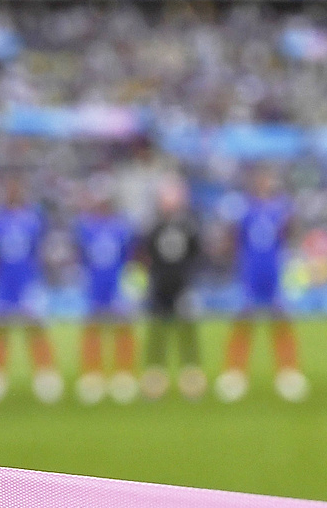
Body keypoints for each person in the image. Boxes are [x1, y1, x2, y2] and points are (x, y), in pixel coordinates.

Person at [219, 166, 306, 402]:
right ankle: (235, 373)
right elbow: (234, 241)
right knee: (243, 322)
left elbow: (289, 236)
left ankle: (288, 373)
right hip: (250, 273)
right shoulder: (244, 209)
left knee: (281, 322)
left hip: (274, 273)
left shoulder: (282, 209)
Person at [0, 178, 59, 404]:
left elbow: (39, 252)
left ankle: (46, 377)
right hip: (3, 283)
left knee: (35, 330)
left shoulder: (33, 221)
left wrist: (38, 280)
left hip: (27, 284)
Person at [141, 174, 206, 401]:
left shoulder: (188, 227)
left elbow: (196, 257)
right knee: (157, 335)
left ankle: (191, 378)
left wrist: (189, 283)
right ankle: (155, 379)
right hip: (160, 287)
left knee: (186, 334)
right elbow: (146, 257)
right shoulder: (155, 227)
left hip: (182, 287)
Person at [71, 186, 136, 406]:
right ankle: (92, 375)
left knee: (122, 328)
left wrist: (128, 284)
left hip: (116, 284)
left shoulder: (121, 228)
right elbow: (82, 258)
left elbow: (129, 258)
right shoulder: (86, 228)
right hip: (94, 285)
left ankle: (123, 374)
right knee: (93, 329)